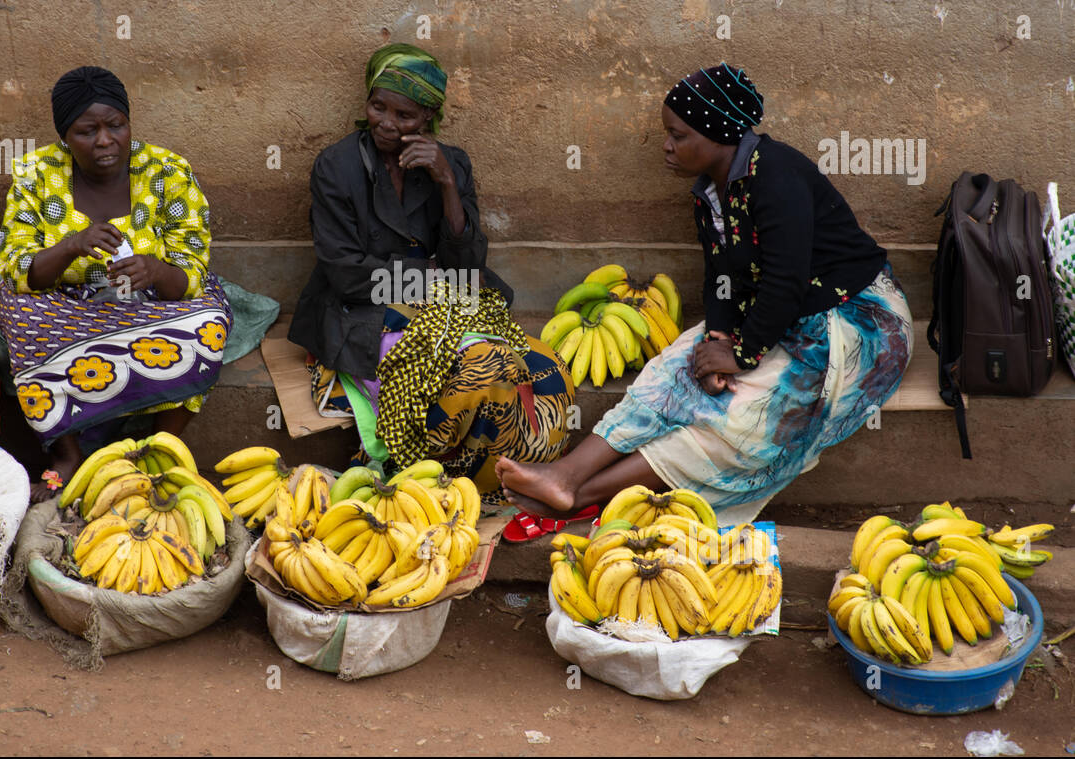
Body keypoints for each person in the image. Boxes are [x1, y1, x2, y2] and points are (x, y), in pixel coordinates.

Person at [497, 63, 912, 522]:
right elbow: (720, 276)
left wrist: (742, 354)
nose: (666, 146)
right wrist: (718, 337)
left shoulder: (777, 176)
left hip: (855, 321)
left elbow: (785, 280)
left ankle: (584, 494)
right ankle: (566, 474)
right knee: (674, 370)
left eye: (678, 135)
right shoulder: (711, 191)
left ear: (717, 135)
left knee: (743, 419)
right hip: (782, 314)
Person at [288, 43, 575, 529]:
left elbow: (470, 260)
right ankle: (428, 477)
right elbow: (345, 272)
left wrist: (445, 183)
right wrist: (433, 281)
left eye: (404, 114)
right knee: (458, 371)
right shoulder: (335, 167)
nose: (387, 123)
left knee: (534, 367)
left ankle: (499, 466)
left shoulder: (452, 163)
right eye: (378, 107)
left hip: (446, 292)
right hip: (361, 305)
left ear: (428, 118)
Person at [0, 66, 233, 499]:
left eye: (115, 125)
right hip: (64, 304)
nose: (105, 140)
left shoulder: (167, 172)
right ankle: (68, 455)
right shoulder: (36, 173)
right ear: (66, 136)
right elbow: (18, 269)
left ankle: (164, 446)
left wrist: (157, 271)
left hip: (151, 302)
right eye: (88, 131)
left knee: (209, 320)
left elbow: (192, 269)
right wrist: (70, 246)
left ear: (129, 123)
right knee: (20, 316)